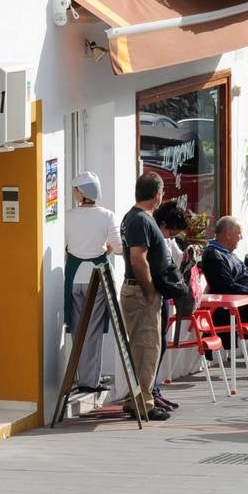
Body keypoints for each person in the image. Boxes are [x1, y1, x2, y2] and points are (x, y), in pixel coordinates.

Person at [119, 172, 172, 421]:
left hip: (137, 290)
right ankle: (144, 404)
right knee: (148, 347)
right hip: (141, 292)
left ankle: (136, 399)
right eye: (161, 193)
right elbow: (138, 258)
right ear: (156, 194)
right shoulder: (140, 219)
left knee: (140, 349)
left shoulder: (136, 217)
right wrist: (150, 290)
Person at [63, 170, 121, 393]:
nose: (75, 194)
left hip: (74, 278)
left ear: (82, 192)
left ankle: (80, 376)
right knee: (93, 330)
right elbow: (118, 247)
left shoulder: (67, 216)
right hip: (97, 279)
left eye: (75, 190)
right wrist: (105, 249)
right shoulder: (107, 215)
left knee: (78, 329)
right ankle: (89, 380)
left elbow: (64, 248)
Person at [151, 203, 192, 411]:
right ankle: (151, 391)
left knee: (162, 343)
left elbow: (176, 258)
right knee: (154, 344)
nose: (170, 237)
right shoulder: (154, 234)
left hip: (165, 293)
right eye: (171, 232)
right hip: (155, 292)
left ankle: (155, 389)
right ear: (163, 224)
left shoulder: (166, 238)